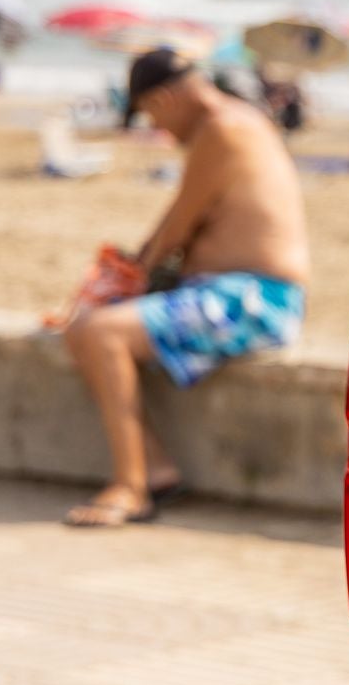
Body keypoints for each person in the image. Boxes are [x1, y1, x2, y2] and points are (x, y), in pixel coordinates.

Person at [61, 49, 310, 527]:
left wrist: (131, 278)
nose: (158, 127)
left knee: (102, 332)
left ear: (168, 97)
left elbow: (177, 226)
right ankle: (154, 469)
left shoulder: (223, 128)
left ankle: (130, 489)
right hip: (230, 294)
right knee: (85, 329)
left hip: (258, 299)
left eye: (151, 113)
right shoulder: (232, 123)